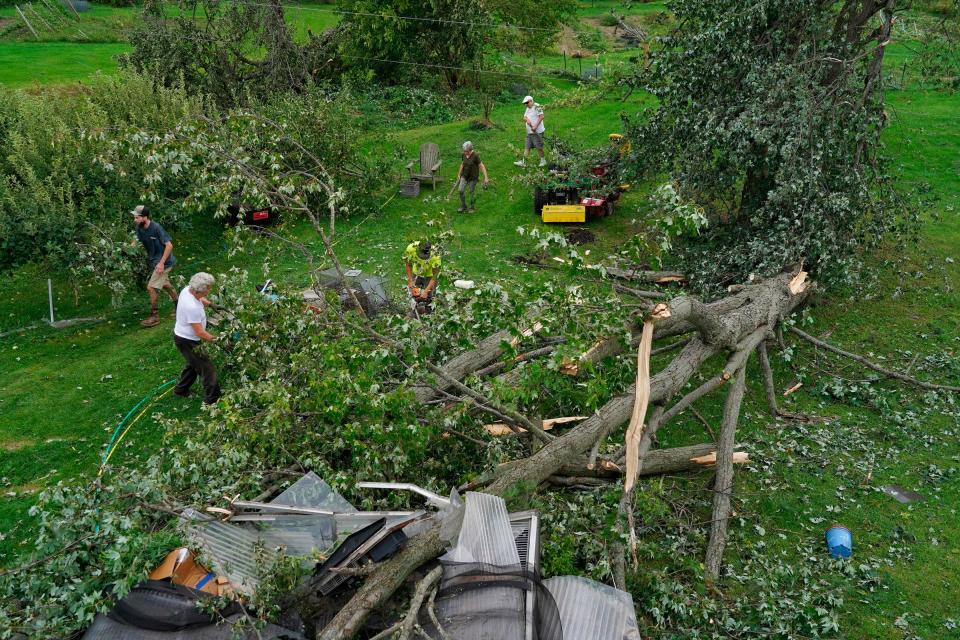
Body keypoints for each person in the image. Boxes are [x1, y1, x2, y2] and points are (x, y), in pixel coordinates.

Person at [172, 272, 221, 405]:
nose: (210, 290)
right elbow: (200, 332)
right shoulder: (191, 307)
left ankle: (180, 390)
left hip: (185, 337)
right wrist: (219, 340)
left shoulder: (188, 290)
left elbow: (200, 298)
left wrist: (210, 304)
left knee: (194, 363)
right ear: (198, 291)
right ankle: (212, 400)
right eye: (208, 289)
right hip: (187, 340)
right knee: (207, 368)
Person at [131, 205, 178, 327]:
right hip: (155, 262)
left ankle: (154, 316)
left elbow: (169, 245)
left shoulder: (156, 228)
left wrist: (161, 263)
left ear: (144, 217)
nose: (135, 220)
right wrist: (130, 247)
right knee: (166, 285)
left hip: (164, 263)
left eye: (137, 217)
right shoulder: (140, 228)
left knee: (151, 287)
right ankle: (179, 306)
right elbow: (136, 240)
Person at [403, 240, 441, 312]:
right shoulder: (411, 248)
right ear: (418, 249)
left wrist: (426, 291)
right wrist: (410, 280)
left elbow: (435, 275)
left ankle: (430, 311)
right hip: (416, 271)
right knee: (414, 293)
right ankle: (414, 309)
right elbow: (408, 264)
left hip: (430, 275)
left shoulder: (436, 255)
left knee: (430, 295)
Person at [454, 141, 490, 213]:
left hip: (473, 177)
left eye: (466, 151)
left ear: (470, 150)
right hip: (464, 176)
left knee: (471, 192)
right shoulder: (463, 155)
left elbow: (482, 166)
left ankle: (472, 207)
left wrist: (486, 177)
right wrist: (459, 174)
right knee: (460, 190)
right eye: (464, 151)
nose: (465, 152)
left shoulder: (475, 156)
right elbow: (462, 164)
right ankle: (463, 206)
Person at [514, 95, 546, 167]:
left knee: (539, 147)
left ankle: (543, 161)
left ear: (531, 101)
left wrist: (535, 126)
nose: (526, 104)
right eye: (525, 103)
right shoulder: (528, 108)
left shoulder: (537, 106)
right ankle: (524, 162)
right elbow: (524, 117)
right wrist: (527, 119)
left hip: (537, 132)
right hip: (529, 132)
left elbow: (542, 117)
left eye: (527, 103)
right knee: (527, 147)